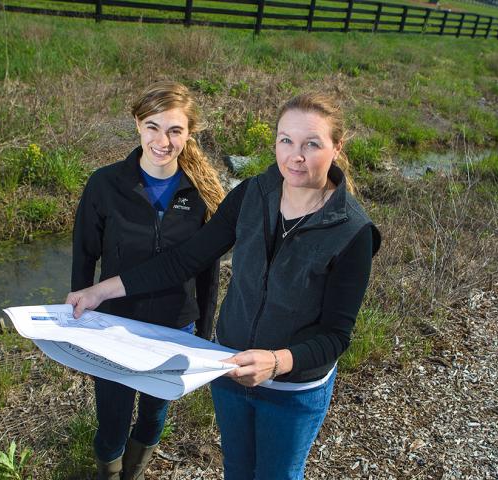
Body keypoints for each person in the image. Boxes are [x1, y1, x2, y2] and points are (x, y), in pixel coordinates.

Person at [67, 92, 381, 479]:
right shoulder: (252, 194)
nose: (295, 156)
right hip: (230, 370)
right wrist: (100, 290)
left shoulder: (353, 232)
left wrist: (276, 362)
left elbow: (336, 335)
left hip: (293, 391)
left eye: (311, 144)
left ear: (337, 147)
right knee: (236, 469)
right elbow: (185, 260)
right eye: (286, 140)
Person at [70, 81, 225, 480]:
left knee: (154, 415)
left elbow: (207, 271)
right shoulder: (105, 184)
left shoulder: (200, 194)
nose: (163, 141)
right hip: (114, 326)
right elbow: (84, 254)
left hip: (175, 328)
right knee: (112, 420)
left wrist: (203, 334)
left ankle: (135, 472)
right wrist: (75, 325)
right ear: (137, 124)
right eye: (153, 127)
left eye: (175, 130)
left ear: (189, 133)